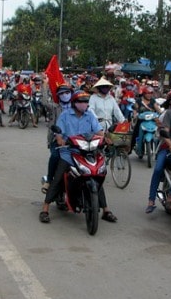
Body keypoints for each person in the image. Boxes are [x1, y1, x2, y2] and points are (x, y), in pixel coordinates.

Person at [39, 90, 118, 223]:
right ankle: (45, 209)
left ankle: (106, 210)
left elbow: (98, 131)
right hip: (69, 152)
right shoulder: (65, 115)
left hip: (88, 151)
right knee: (58, 178)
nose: (84, 104)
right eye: (81, 102)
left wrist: (105, 138)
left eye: (86, 102)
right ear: (74, 103)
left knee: (97, 176)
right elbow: (58, 132)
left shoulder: (90, 115)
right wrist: (60, 139)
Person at [41, 84, 73, 194]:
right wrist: (45, 86)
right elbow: (44, 102)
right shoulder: (55, 107)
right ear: (58, 96)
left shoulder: (76, 107)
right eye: (62, 94)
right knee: (55, 156)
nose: (65, 95)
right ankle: (49, 180)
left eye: (67, 93)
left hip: (75, 139)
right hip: (57, 139)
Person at [130, 85, 161, 153]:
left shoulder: (152, 100)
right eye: (148, 93)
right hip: (141, 121)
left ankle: (158, 151)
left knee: (159, 134)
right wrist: (135, 114)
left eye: (151, 93)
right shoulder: (139, 100)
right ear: (144, 93)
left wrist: (161, 112)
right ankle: (130, 149)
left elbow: (157, 109)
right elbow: (135, 108)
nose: (149, 95)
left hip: (152, 121)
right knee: (134, 134)